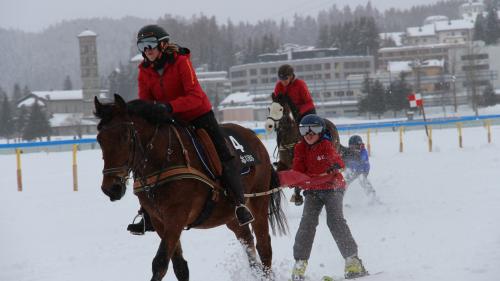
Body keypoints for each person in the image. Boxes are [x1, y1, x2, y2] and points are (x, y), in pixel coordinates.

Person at [127, 24, 254, 234]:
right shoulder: (144, 71)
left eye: (151, 44)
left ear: (163, 45)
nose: (147, 49)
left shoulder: (181, 62)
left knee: (221, 152)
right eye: (142, 45)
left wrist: (169, 107)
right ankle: (147, 213)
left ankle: (239, 203)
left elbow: (194, 96)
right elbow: (146, 102)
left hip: (197, 114)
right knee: (146, 154)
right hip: (168, 119)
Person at [290, 114, 368, 281]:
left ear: (321, 131)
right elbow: (297, 170)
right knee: (307, 223)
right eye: (304, 130)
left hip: (333, 188)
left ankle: (352, 260)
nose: (309, 134)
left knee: (335, 221)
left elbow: (338, 162)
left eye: (314, 129)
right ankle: (300, 263)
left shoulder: (325, 145)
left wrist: (333, 166)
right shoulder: (299, 148)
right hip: (312, 190)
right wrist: (293, 179)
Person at [273, 64, 316, 205]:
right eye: (281, 79)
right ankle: (282, 154)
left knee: (309, 133)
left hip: (305, 113)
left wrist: (298, 111)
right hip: (288, 116)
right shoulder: (279, 86)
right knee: (280, 130)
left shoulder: (300, 84)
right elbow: (276, 104)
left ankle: (313, 155)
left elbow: (309, 102)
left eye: (285, 79)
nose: (283, 81)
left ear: (291, 76)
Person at [344, 135, 380, 204]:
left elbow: (360, 159)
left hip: (363, 170)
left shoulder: (363, 152)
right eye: (351, 147)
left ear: (359, 145)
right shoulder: (349, 152)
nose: (353, 149)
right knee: (344, 182)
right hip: (352, 170)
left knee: (362, 179)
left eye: (355, 146)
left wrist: (351, 158)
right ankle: (339, 198)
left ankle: (373, 197)